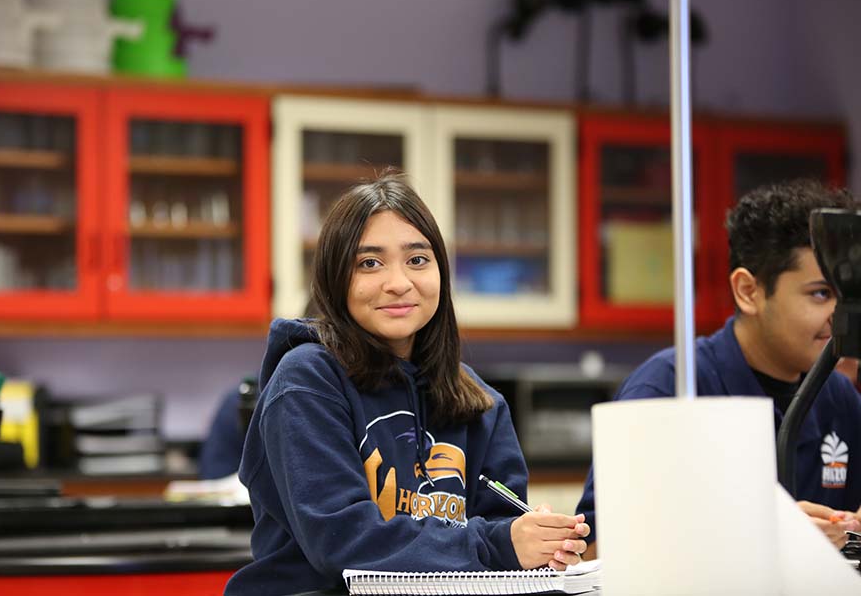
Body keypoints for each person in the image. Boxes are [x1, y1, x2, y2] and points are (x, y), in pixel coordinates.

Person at [226, 174, 589, 595]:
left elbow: (501, 536)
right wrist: (500, 545)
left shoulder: (481, 403)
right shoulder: (306, 381)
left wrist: (538, 541)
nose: (398, 282)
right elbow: (343, 542)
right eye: (369, 263)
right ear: (333, 277)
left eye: (417, 260)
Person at [575, 179, 861, 558]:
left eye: (850, 295)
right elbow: (591, 553)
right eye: (821, 294)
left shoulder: (837, 397)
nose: (841, 316)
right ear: (748, 291)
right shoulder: (668, 390)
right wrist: (758, 534)